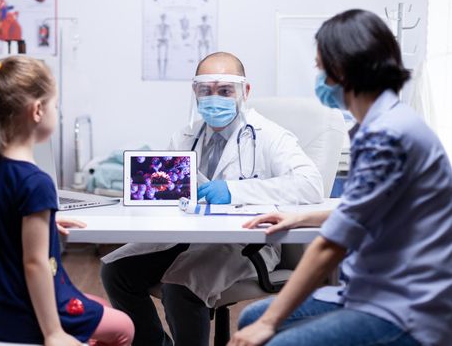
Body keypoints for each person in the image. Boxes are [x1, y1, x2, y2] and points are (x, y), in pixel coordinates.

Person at [230, 9, 452, 346]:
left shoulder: (388, 135)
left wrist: (270, 323)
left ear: (343, 70)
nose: (318, 76)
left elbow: (331, 244)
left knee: (269, 335)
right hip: (371, 291)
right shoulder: (380, 125)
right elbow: (367, 209)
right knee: (251, 316)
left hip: (406, 306)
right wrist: (301, 216)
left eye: (320, 67)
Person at [101, 52, 324, 346]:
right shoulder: (185, 136)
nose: (213, 98)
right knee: (116, 270)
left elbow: (310, 185)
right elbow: (168, 194)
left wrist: (233, 191)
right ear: (195, 92)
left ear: (245, 92)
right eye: (206, 90)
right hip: (186, 237)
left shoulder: (270, 136)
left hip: (245, 242)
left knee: (181, 283)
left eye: (224, 90)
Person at [0, 56, 134, 346]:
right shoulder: (36, 182)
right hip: (23, 313)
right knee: (124, 326)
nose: (56, 111)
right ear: (38, 110)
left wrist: (41, 221)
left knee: (99, 305)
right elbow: (34, 263)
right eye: (55, 104)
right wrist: (53, 333)